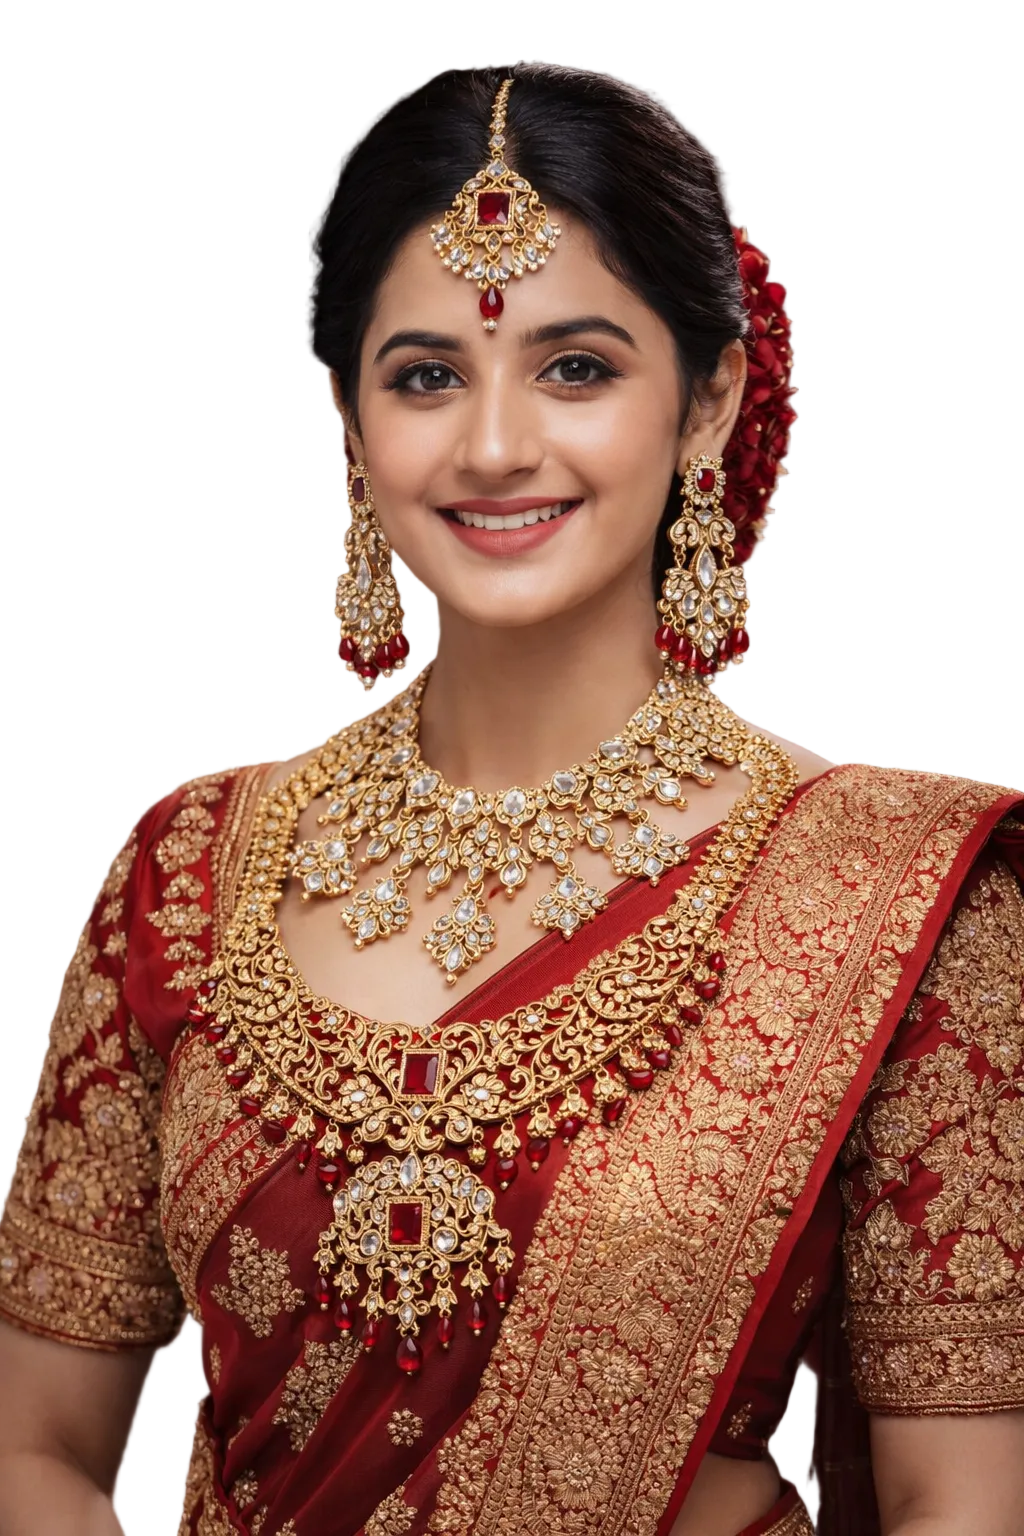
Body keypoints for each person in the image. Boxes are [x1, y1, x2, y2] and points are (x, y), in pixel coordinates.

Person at [0, 60, 1020, 1536]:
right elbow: (39, 1453)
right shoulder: (187, 868)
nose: (491, 446)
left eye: (578, 367)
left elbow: (963, 1508)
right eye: (426, 375)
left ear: (709, 401)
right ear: (350, 421)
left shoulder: (890, 892)